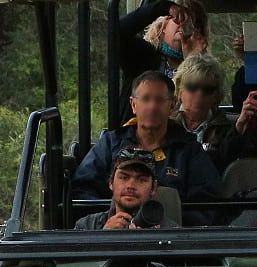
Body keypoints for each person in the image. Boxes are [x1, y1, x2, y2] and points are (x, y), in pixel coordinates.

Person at [71, 71, 221, 205]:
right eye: (146, 99)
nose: (152, 106)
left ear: (172, 106)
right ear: (133, 104)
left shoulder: (189, 150)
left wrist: (174, 226)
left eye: (160, 100)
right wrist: (107, 221)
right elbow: (82, 189)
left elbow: (208, 201)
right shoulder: (111, 143)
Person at [117, 0, 208, 89]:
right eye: (178, 17)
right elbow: (117, 32)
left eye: (192, 23)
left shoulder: (207, 71)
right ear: (163, 26)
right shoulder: (142, 57)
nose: (183, 24)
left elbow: (196, 99)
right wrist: (164, 7)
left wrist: (193, 61)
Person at [75, 148, 164, 230]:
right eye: (124, 177)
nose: (130, 185)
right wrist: (104, 237)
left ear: (153, 188)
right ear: (111, 182)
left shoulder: (170, 231)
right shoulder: (87, 226)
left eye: (141, 180)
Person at [171, 53, 234, 164]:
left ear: (216, 95)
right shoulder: (164, 124)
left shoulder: (228, 130)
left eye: (208, 89)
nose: (199, 94)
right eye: (192, 87)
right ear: (179, 90)